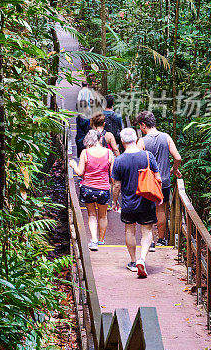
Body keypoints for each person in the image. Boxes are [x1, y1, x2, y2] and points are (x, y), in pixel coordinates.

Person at [111, 127, 161, 278]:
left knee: (129, 230)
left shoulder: (118, 161)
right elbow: (158, 177)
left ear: (122, 141)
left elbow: (117, 185)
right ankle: (142, 259)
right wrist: (158, 196)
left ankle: (133, 262)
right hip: (146, 200)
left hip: (128, 203)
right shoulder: (147, 155)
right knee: (147, 231)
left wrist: (114, 201)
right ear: (136, 139)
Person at [136, 110, 183, 250]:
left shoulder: (142, 141)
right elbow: (178, 158)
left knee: (147, 210)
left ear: (143, 125)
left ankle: (149, 242)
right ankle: (162, 240)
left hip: (148, 183)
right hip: (164, 181)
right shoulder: (166, 137)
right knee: (161, 210)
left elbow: (137, 161)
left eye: (140, 126)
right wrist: (174, 169)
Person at [69, 130, 114, 250]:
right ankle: (101, 240)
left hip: (88, 189)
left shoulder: (85, 152)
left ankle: (93, 240)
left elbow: (79, 172)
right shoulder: (109, 153)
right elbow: (113, 176)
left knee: (92, 215)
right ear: (100, 139)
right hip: (103, 189)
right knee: (103, 215)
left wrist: (73, 164)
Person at [75, 84, 94, 156]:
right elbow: (92, 99)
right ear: (87, 85)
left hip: (79, 140)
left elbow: (79, 99)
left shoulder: (78, 118)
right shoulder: (89, 91)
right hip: (86, 142)